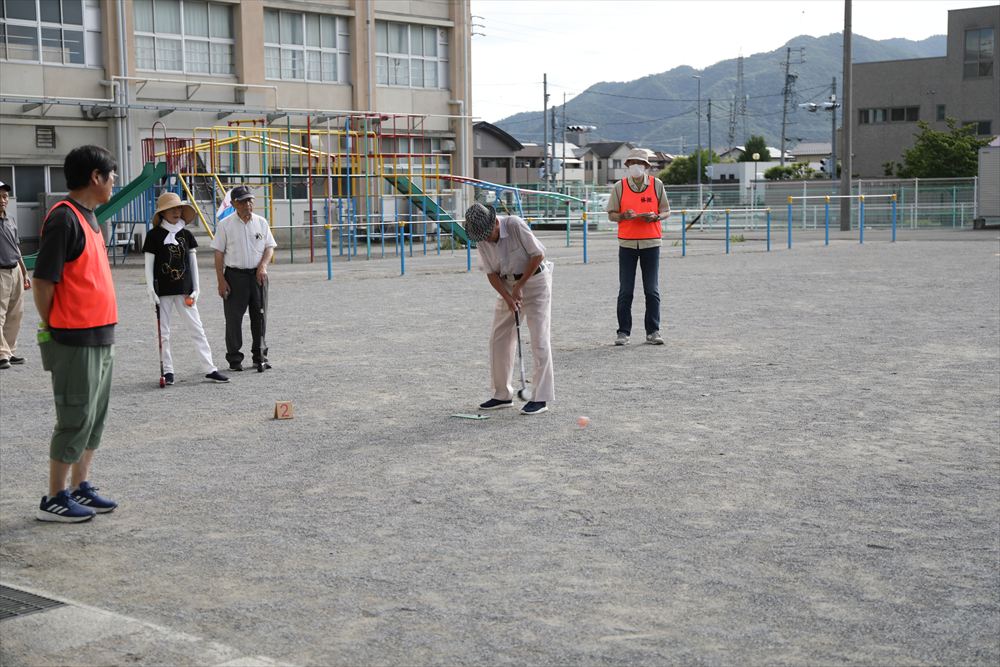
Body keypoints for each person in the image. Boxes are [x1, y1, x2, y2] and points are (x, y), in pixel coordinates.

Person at [32, 145, 120, 522]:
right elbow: (42, 282)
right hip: (74, 337)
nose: (114, 181)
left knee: (93, 417)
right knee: (74, 415)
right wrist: (54, 324)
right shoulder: (63, 219)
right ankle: (55, 497)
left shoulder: (90, 217)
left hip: (100, 334)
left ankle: (81, 485)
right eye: (111, 175)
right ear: (95, 177)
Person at [465, 202, 554, 415]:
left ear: (496, 223)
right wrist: (508, 297)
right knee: (499, 338)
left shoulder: (514, 225)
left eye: (488, 234)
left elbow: (538, 255)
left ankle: (540, 398)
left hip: (535, 281)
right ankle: (502, 394)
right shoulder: (481, 238)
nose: (486, 240)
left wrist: (520, 286)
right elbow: (490, 272)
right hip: (507, 283)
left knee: (539, 339)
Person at [143, 192, 229, 385]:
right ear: (162, 213)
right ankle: (168, 371)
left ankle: (209, 368)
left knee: (197, 329)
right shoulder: (153, 236)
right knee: (163, 333)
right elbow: (148, 265)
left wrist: (197, 288)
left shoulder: (186, 234)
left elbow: (192, 263)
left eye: (179, 208)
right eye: (171, 209)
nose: (176, 212)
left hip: (185, 290)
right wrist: (150, 290)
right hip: (162, 291)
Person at [606, 148, 671, 346]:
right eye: (633, 163)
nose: (636, 166)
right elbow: (611, 214)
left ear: (646, 166)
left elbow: (666, 210)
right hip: (627, 243)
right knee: (626, 290)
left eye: (640, 163)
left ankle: (653, 331)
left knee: (651, 290)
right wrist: (622, 216)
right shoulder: (620, 186)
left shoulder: (657, 184)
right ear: (628, 165)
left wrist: (656, 217)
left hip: (651, 242)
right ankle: (623, 332)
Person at [211, 185, 276, 373]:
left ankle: (260, 356)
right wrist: (221, 280)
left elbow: (269, 247)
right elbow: (218, 253)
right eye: (243, 201)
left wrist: (263, 266)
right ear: (233, 204)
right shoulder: (225, 225)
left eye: (250, 200)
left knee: (260, 316)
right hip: (234, 276)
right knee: (233, 319)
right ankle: (234, 358)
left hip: (257, 276)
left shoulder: (261, 222)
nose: (248, 204)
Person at [0, 180, 31, 369]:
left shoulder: (10, 220)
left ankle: (9, 351)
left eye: (5, 196)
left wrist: (24, 272)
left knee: (15, 314)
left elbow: (16, 248)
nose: (3, 200)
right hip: (0, 273)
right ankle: (1, 354)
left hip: (15, 270)